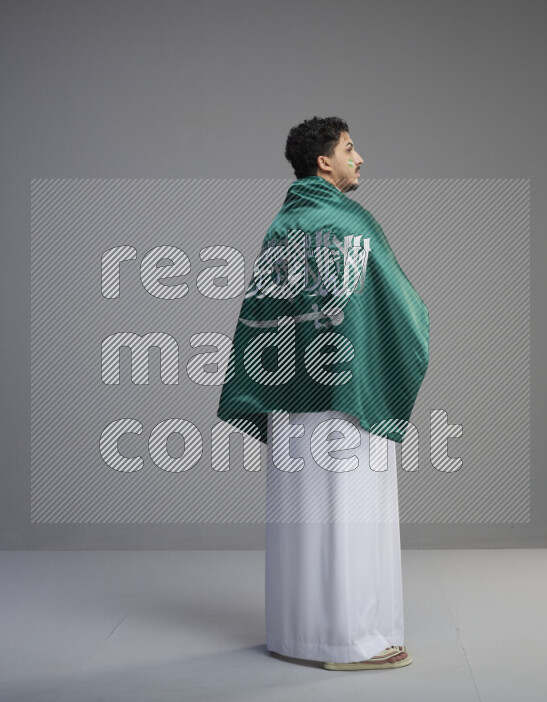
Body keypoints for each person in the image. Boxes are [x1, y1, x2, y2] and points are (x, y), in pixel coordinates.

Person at [217, 116, 430, 670]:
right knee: (353, 513)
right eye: (350, 149)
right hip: (347, 398)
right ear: (323, 162)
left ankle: (297, 636)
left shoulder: (280, 227)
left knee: (302, 515)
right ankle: (352, 642)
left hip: (291, 400)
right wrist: (411, 335)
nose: (360, 159)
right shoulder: (352, 224)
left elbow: (263, 317)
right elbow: (396, 305)